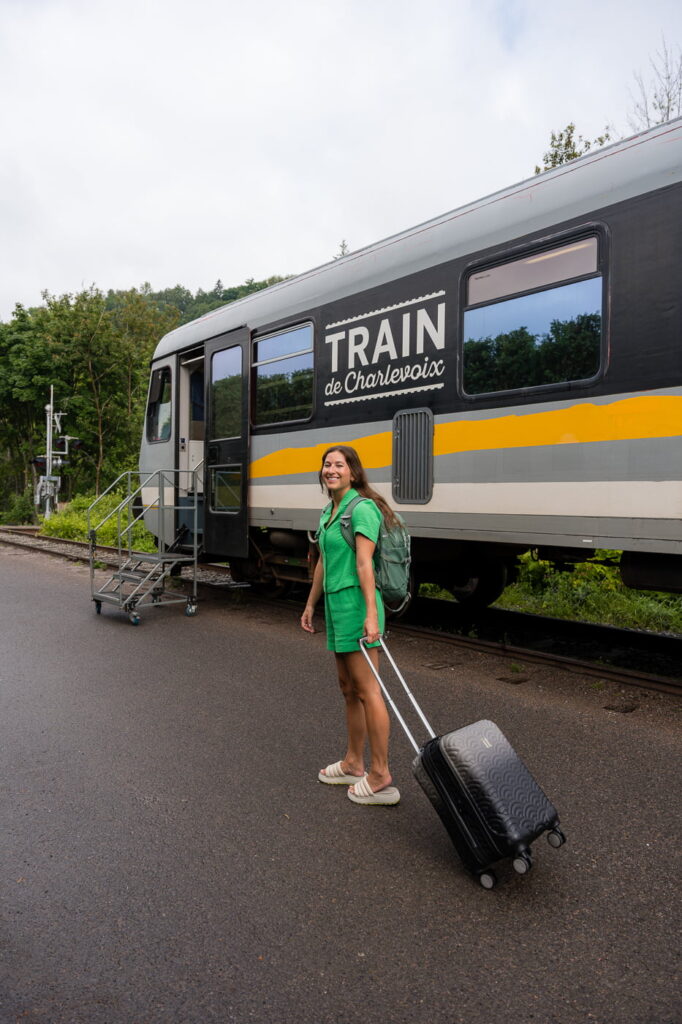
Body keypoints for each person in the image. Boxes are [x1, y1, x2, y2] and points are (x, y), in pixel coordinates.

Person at [300, 445, 400, 806]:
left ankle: (380, 774)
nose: (331, 470)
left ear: (353, 473)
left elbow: (364, 565)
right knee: (348, 688)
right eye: (327, 465)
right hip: (337, 608)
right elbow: (324, 562)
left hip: (358, 607)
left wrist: (371, 616)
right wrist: (311, 604)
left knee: (369, 690)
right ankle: (354, 762)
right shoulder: (330, 511)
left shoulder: (363, 508)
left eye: (339, 465)